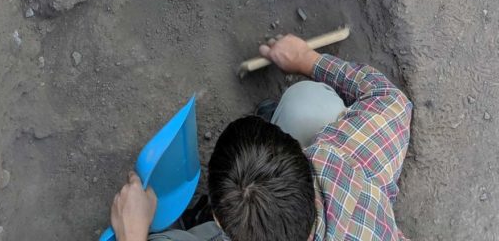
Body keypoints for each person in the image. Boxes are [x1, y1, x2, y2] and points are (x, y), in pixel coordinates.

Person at [109, 33, 412, 241]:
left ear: (219, 220)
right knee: (308, 106)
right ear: (301, 157)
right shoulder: (340, 161)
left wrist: (131, 234)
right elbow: (391, 100)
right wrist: (307, 59)